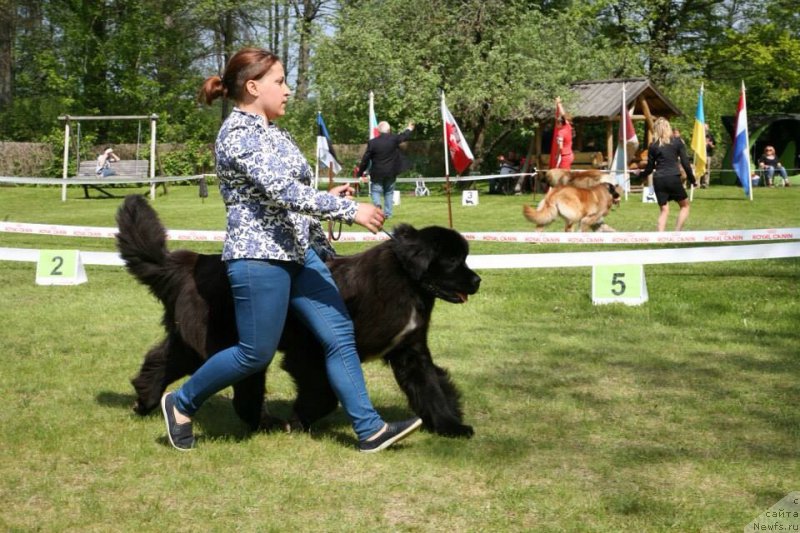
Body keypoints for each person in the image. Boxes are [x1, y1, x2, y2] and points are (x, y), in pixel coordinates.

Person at [160, 47, 421, 453]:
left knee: (339, 338)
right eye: (279, 82)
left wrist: (327, 197)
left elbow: (293, 194)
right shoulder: (238, 135)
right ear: (252, 86)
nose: (287, 90)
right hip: (259, 258)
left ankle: (369, 430)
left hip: (300, 256)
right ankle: (182, 402)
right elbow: (281, 191)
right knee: (254, 354)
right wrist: (349, 209)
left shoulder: (275, 133)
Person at [639, 117, 696, 232]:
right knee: (685, 206)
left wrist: (639, 175)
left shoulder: (653, 146)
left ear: (656, 130)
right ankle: (677, 232)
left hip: (658, 179)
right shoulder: (677, 142)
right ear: (668, 128)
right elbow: (685, 163)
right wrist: (692, 179)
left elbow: (649, 168)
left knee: (664, 210)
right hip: (673, 178)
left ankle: (659, 238)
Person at [356, 120, 414, 218]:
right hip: (391, 172)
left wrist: (360, 172)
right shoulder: (394, 139)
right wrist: (409, 128)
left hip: (377, 173)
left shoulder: (372, 143)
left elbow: (365, 159)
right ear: (389, 130)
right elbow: (404, 136)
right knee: (389, 192)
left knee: (375, 191)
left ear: (378, 131)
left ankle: (378, 205)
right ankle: (388, 214)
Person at [553, 97, 574, 169]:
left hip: (565, 156)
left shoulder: (561, 133)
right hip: (570, 155)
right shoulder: (567, 126)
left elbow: (561, 147)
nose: (556, 125)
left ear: (560, 123)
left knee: (563, 177)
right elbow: (564, 115)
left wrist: (557, 154)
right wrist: (559, 103)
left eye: (557, 123)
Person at [700, 124, 715, 188]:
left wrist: (709, 143)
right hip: (700, 154)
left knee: (707, 169)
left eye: (706, 127)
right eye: (704, 127)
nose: (705, 128)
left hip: (708, 155)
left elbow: (713, 146)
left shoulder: (711, 136)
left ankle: (706, 183)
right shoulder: (699, 135)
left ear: (708, 128)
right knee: (699, 168)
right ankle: (698, 183)